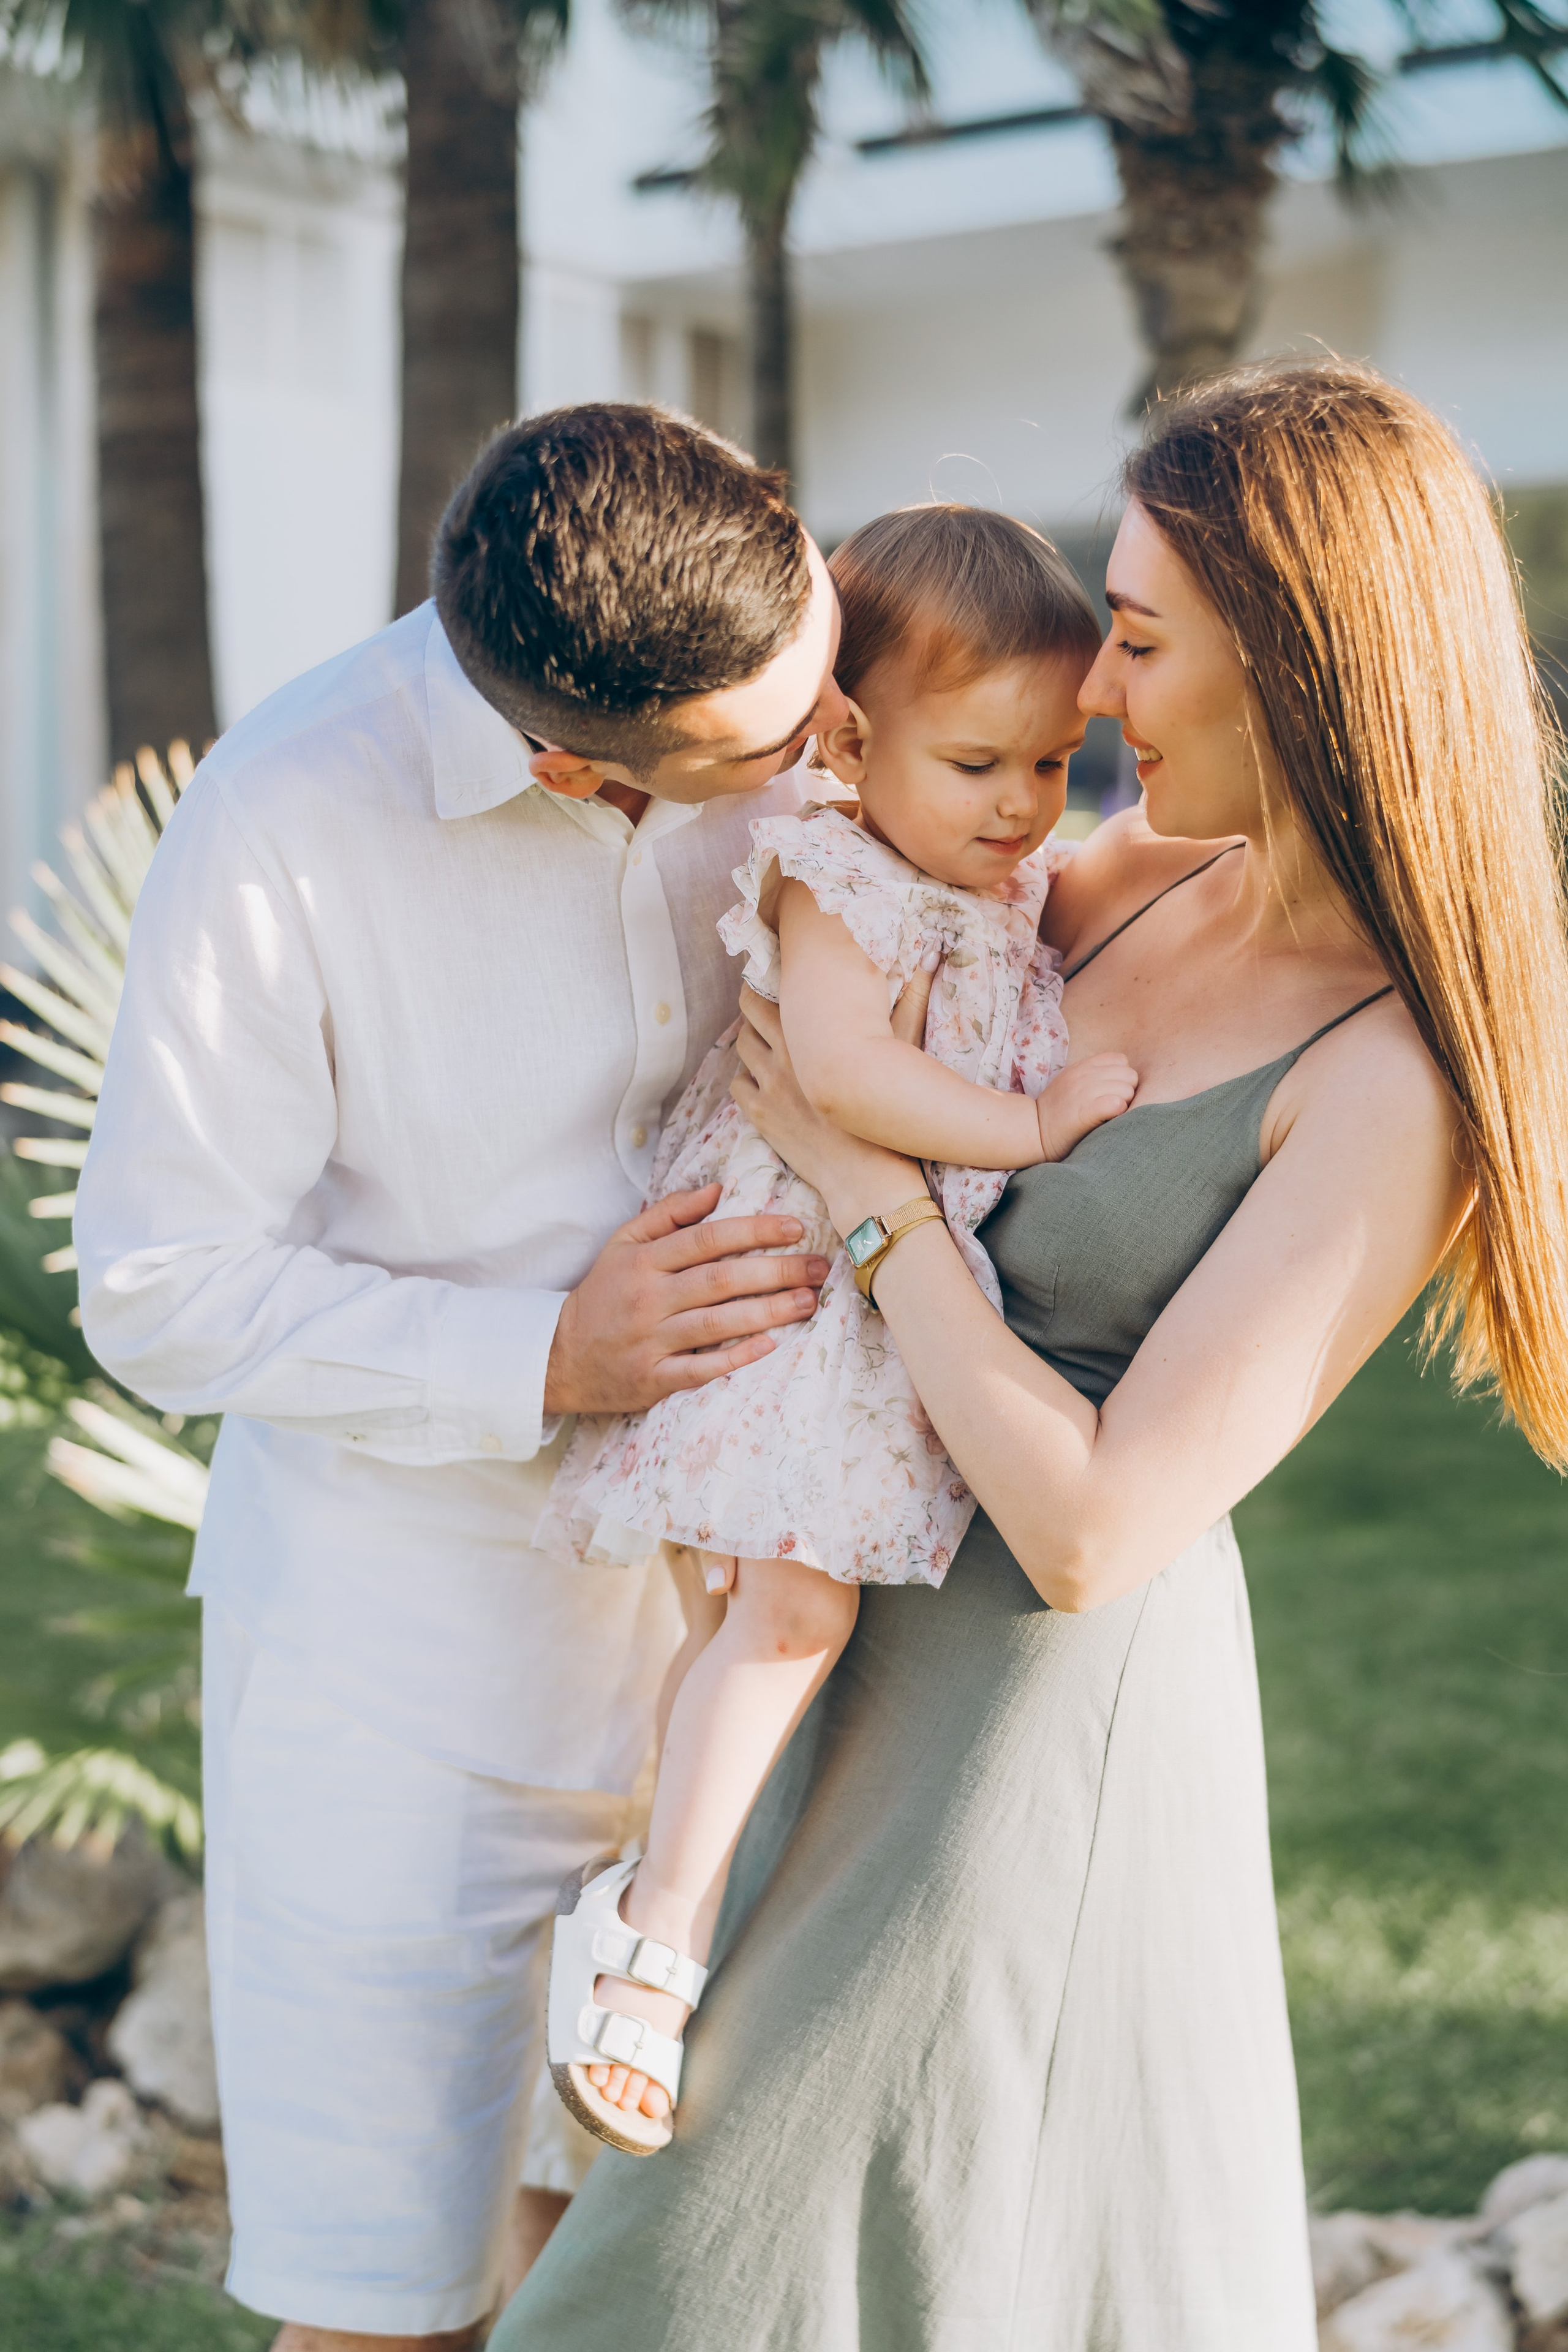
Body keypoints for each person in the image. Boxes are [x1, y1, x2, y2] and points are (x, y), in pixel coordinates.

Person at [492, 359, 1568, 2350]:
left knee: (727, 2280)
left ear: (1301, 669)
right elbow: (853, 891)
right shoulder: (1104, 881)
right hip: (848, 1627)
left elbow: (1092, 1527)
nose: (1089, 698)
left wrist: (865, 1195)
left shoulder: (1388, 1080)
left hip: (1034, 1737)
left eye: (1142, 642)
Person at [72, 404, 854, 2352]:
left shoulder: (792, 675)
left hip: (750, 1651)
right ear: (575, 765)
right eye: (778, 746)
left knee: (615, 2288)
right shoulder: (283, 824)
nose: (832, 746)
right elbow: (157, 1286)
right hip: (403, 1680)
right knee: (386, 2315)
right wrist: (549, 1355)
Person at [536, 505, 1139, 2154]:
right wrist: (1033, 1129)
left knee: (754, 1620)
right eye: (981, 767)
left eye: (1052, 766)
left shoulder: (973, 876)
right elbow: (846, 1081)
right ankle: (655, 1946)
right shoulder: (836, 874)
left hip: (857, 1299)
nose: (1026, 808)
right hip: (795, 1298)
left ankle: (647, 1902)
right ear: (853, 739)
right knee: (791, 1617)